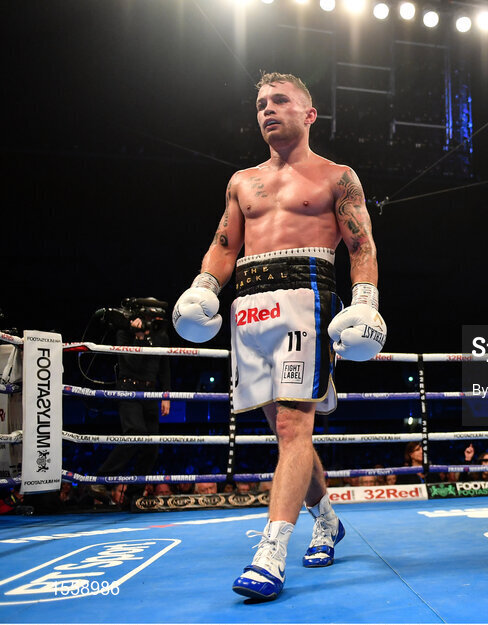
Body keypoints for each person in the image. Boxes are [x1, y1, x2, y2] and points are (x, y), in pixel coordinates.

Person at [171, 72, 386, 600]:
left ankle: (271, 552)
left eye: (280, 101)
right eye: (261, 103)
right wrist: (203, 288)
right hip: (250, 308)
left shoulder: (338, 177)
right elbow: (224, 246)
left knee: (293, 428)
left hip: (306, 301)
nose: (268, 110)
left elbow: (361, 246)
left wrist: (365, 302)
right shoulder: (242, 181)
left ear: (309, 114)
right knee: (287, 433)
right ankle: (328, 519)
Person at [90, 316, 171, 509]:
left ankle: (134, 495)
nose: (157, 319)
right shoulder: (124, 332)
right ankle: (101, 479)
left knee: (152, 446)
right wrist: (139, 337)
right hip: (128, 389)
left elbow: (165, 366)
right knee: (136, 433)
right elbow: (131, 363)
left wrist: (166, 394)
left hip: (150, 392)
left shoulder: (161, 335)